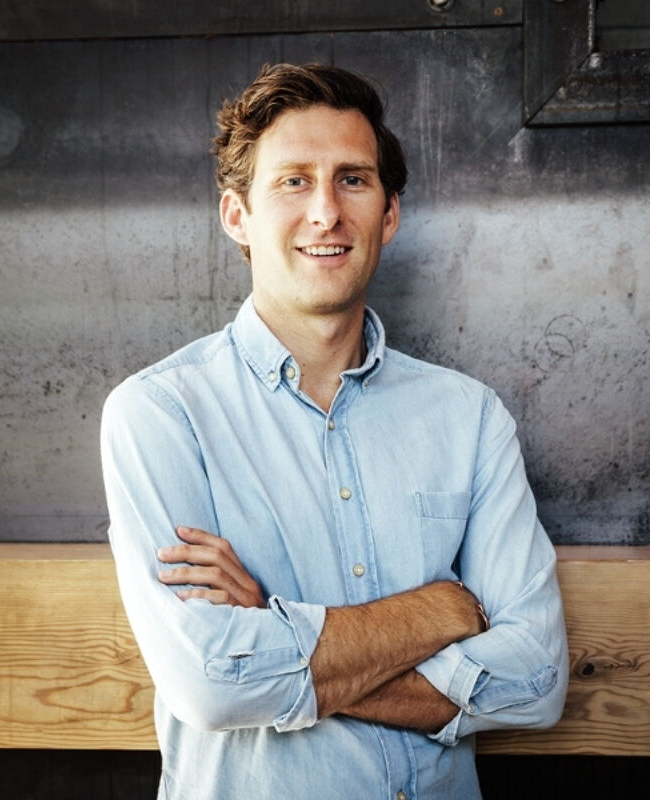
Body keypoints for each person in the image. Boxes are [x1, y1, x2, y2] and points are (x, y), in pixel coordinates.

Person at [101, 62, 568, 799]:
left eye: (352, 179)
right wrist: (436, 612)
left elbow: (535, 681)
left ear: (388, 213)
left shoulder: (467, 417)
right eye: (293, 181)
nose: (326, 212)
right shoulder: (161, 414)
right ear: (237, 217)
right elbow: (212, 684)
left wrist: (268, 624)